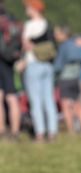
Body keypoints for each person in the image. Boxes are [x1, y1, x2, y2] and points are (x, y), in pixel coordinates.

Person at [20, 0, 58, 141]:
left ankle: (40, 133)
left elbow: (25, 45)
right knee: (49, 99)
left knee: (35, 101)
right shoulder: (48, 24)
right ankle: (52, 132)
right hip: (47, 65)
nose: (26, 11)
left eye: (27, 8)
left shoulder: (29, 25)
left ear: (33, 9)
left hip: (33, 64)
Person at [52, 24, 81, 134]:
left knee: (65, 104)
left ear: (63, 34)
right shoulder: (75, 45)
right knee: (76, 103)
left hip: (65, 79)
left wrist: (51, 73)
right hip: (76, 78)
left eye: (57, 34)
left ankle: (71, 130)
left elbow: (58, 65)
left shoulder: (63, 46)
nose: (55, 36)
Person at [0, 0, 21, 140]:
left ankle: (2, 130)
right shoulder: (11, 18)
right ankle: (15, 131)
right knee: (11, 96)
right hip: (9, 61)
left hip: (2, 59)